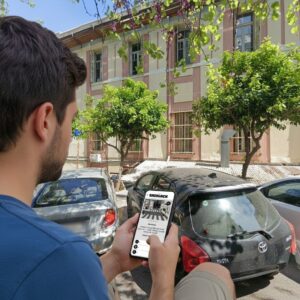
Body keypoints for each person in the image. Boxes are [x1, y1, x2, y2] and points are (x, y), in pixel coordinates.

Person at [0, 16, 235, 300]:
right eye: (72, 122)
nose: (72, 137)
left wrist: (114, 260)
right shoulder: (61, 255)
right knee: (215, 275)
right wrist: (162, 280)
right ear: (45, 121)